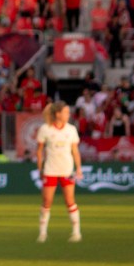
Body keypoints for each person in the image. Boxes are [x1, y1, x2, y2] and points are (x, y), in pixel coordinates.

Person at [35, 101, 83, 243]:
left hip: (67, 170)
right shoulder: (45, 129)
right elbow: (39, 151)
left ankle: (76, 232)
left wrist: (78, 168)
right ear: (58, 114)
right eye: (66, 112)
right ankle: (42, 233)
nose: (68, 115)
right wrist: (39, 168)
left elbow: (75, 151)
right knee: (47, 201)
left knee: (70, 201)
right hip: (50, 170)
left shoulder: (71, 130)